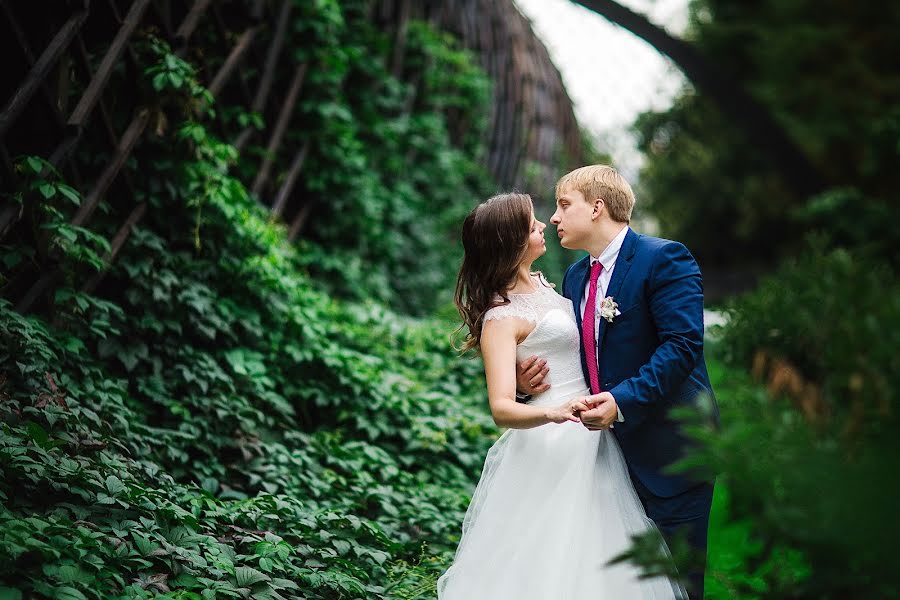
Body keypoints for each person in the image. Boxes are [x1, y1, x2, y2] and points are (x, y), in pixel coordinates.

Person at [438, 192, 685, 599]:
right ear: (510, 240)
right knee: (554, 552)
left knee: (603, 549)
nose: (543, 224)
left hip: (593, 430)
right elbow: (501, 407)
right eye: (531, 222)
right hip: (554, 440)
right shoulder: (500, 317)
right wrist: (552, 410)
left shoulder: (554, 284)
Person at [517, 165, 719, 599]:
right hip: (600, 460)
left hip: (672, 452)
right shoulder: (574, 277)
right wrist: (525, 383)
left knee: (678, 587)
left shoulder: (664, 258)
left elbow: (682, 345)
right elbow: (569, 356)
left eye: (563, 205)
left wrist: (621, 400)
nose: (553, 217)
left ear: (596, 207)